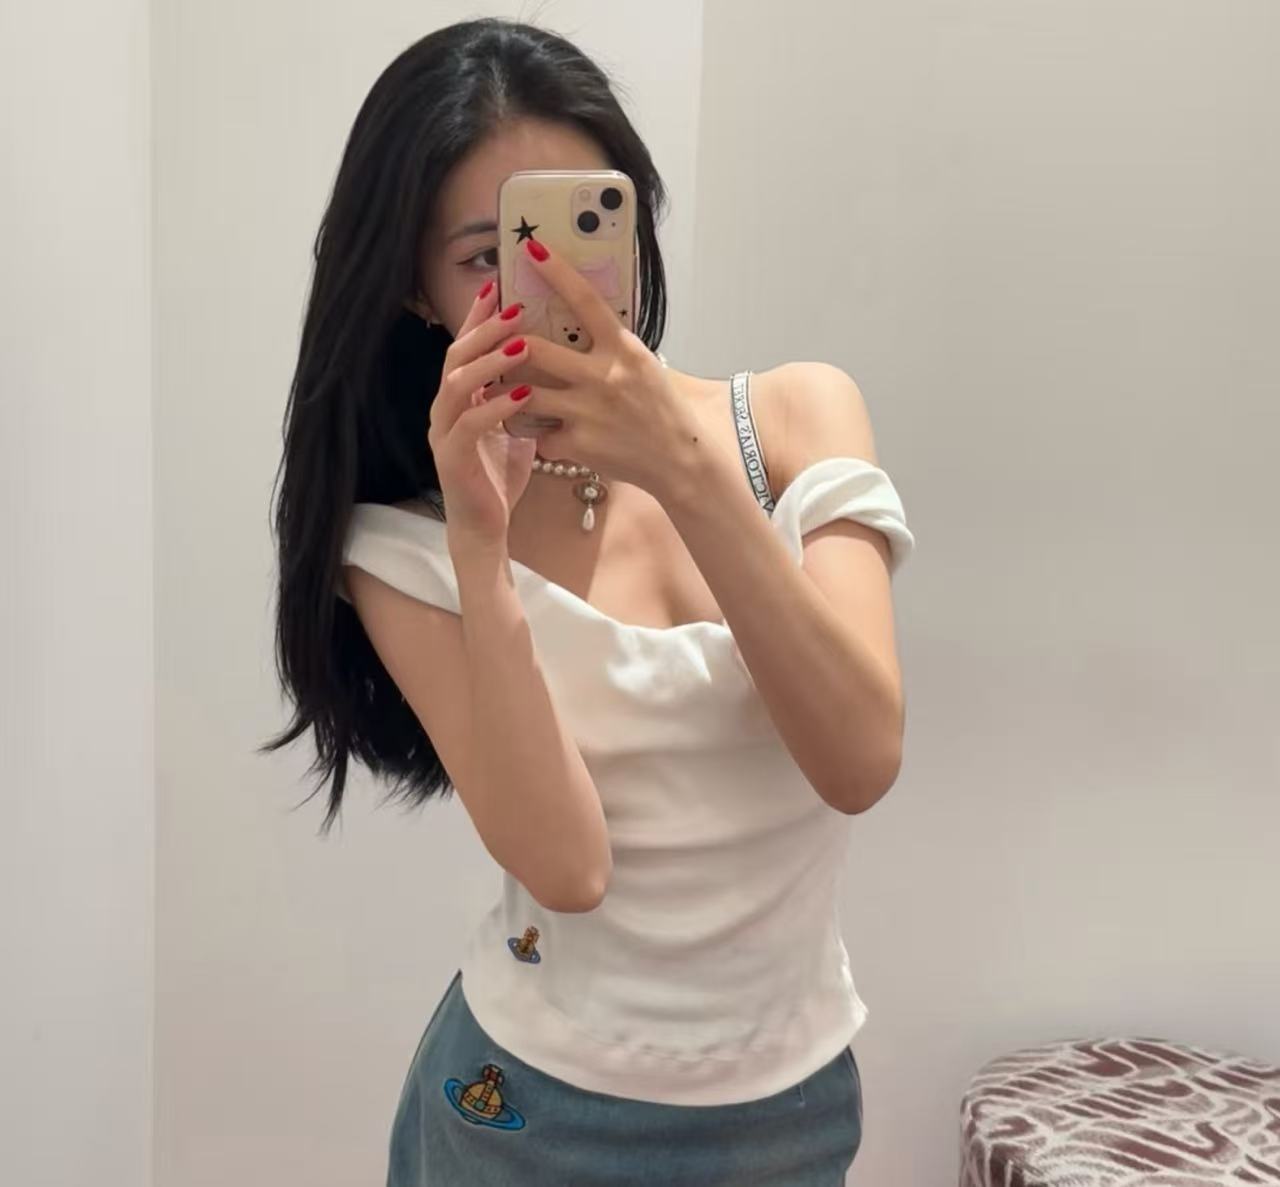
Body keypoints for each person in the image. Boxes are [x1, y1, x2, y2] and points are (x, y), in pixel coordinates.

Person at [262, 17, 915, 1186]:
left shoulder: (796, 421)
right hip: (517, 1114)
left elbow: (857, 756)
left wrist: (681, 466)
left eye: (584, 225)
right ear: (414, 288)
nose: (553, 282)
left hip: (786, 1108)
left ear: (633, 218)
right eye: (489, 256)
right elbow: (566, 868)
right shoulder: (401, 543)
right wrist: (478, 549)